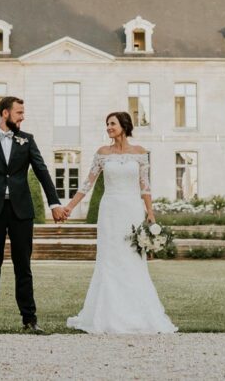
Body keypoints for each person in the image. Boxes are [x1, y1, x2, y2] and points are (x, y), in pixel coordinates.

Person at [63, 111, 178, 334]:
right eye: (107, 124)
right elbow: (87, 183)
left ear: (124, 126)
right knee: (109, 259)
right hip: (109, 212)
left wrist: (150, 213)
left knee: (133, 260)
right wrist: (69, 206)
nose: (108, 127)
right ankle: (106, 315)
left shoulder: (140, 153)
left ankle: (139, 314)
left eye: (112, 123)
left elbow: (145, 186)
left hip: (132, 211)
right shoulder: (102, 153)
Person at [0, 96, 66, 334]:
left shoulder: (27, 140)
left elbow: (42, 171)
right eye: (19, 113)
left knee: (23, 267)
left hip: (21, 211)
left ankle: (29, 320)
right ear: (5, 113)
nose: (22, 117)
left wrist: (54, 203)